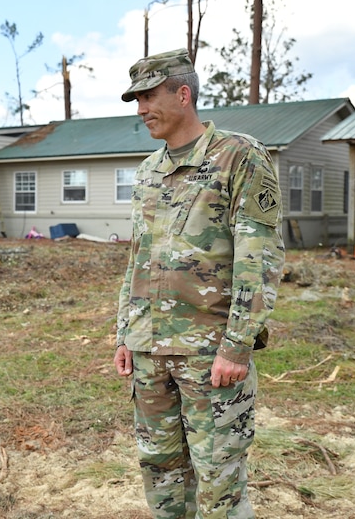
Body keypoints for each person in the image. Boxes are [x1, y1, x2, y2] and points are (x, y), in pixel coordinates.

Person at [113, 48, 285, 519]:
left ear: (183, 94)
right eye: (137, 99)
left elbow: (260, 257)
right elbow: (138, 258)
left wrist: (236, 345)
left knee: (219, 483)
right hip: (150, 355)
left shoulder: (238, 157)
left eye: (149, 96)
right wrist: (126, 333)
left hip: (210, 356)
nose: (141, 109)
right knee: (161, 473)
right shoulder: (149, 171)